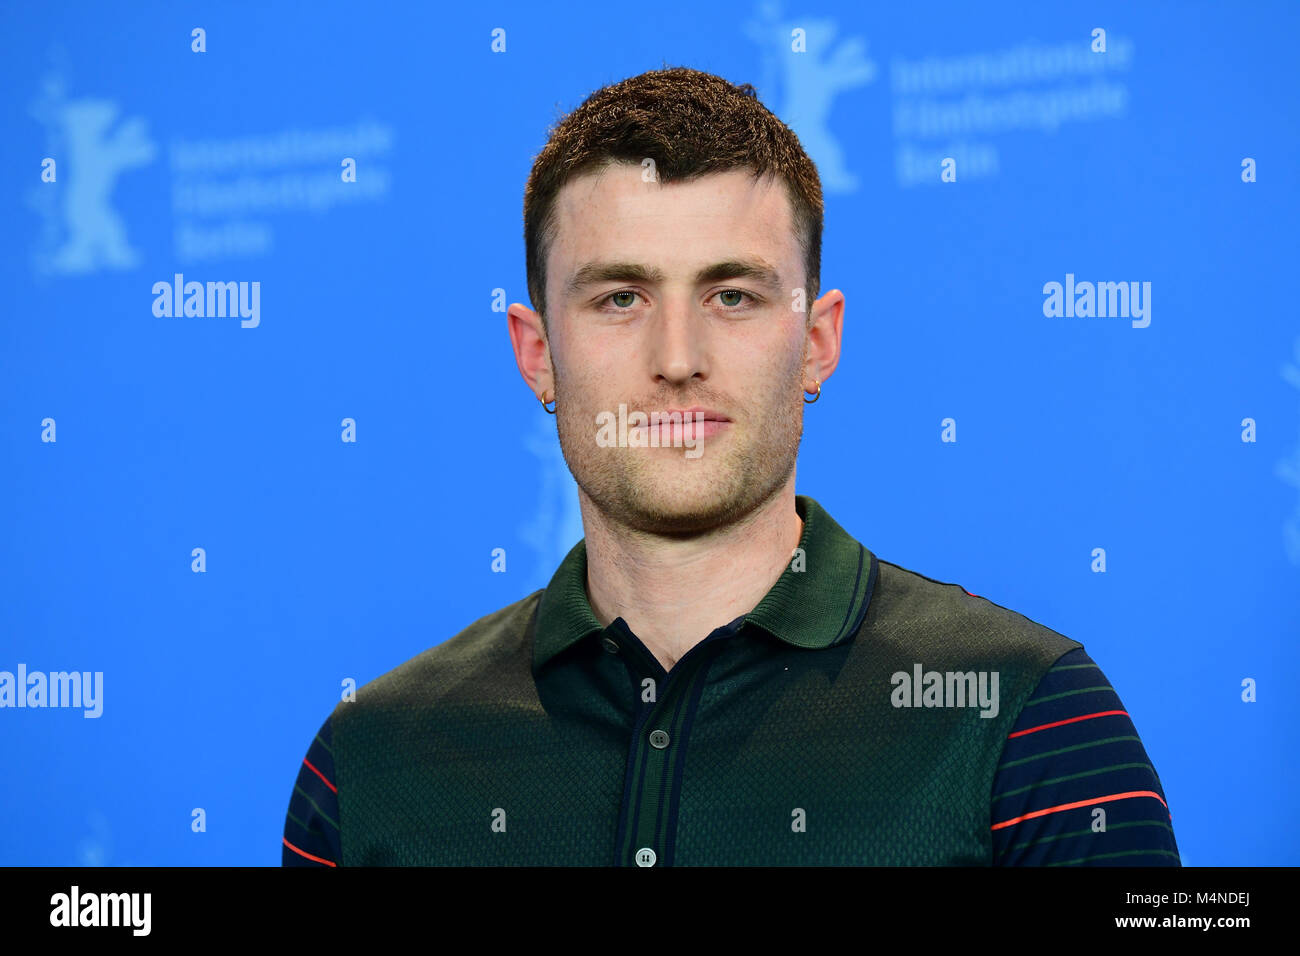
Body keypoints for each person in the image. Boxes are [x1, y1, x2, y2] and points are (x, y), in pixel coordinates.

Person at [282, 66, 1180, 867]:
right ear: (537, 352)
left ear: (818, 342)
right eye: (621, 297)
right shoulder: (369, 765)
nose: (678, 357)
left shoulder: (1029, 716)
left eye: (733, 295)